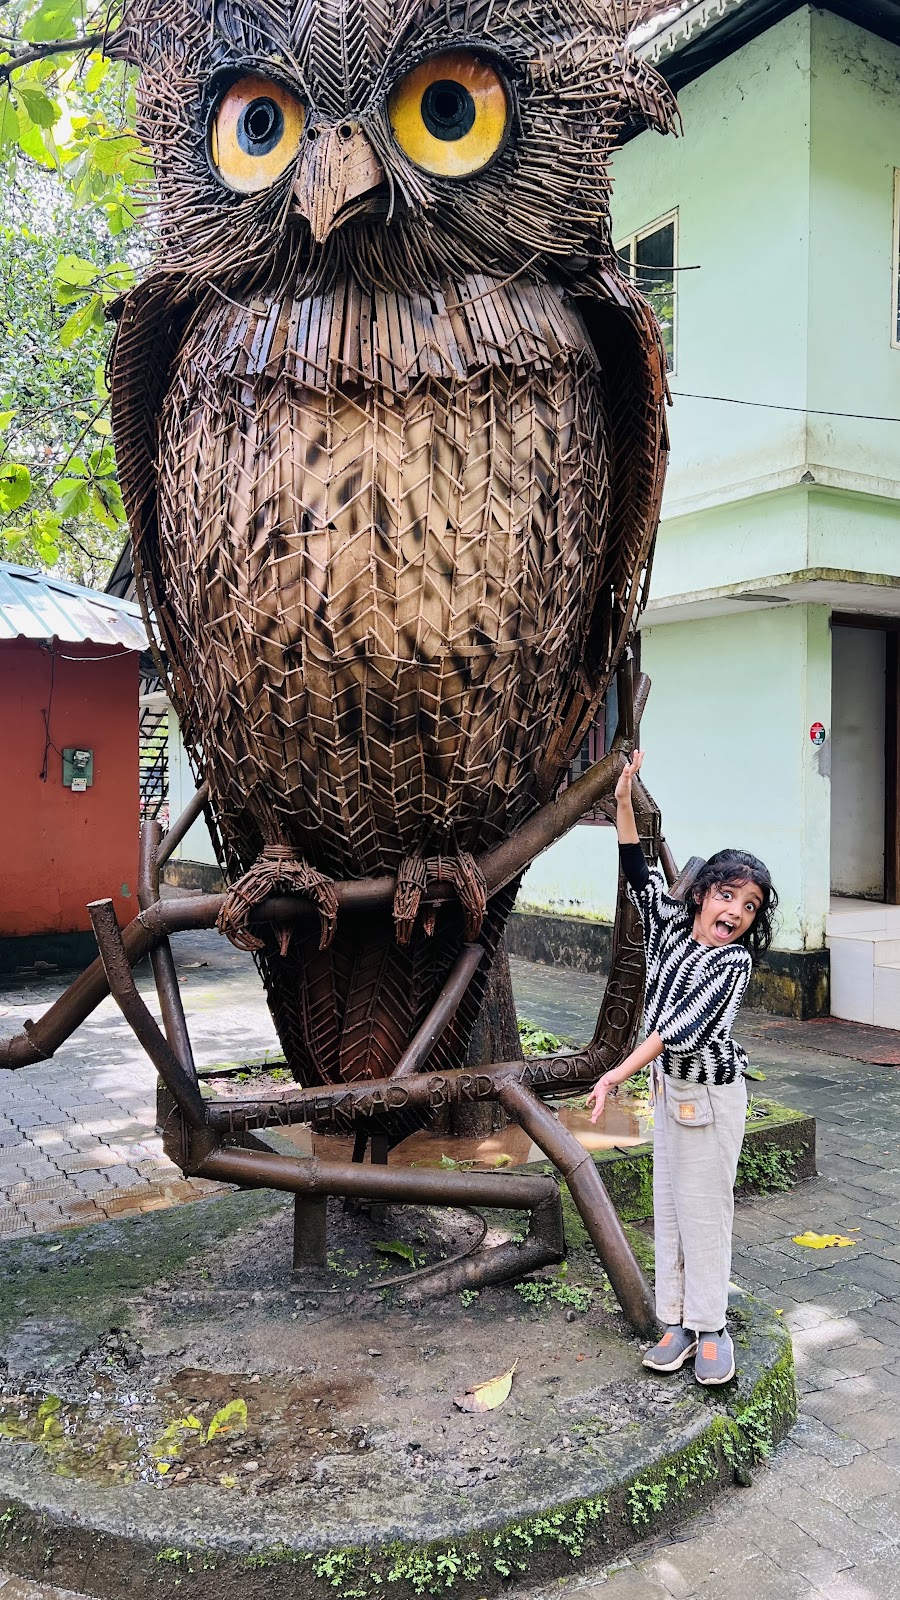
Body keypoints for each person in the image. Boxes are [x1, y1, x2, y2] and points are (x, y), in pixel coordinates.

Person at [586, 750, 777, 1386]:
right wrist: (621, 801)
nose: (736, 913)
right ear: (700, 895)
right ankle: (677, 1323)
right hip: (671, 1092)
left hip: (713, 1096)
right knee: (668, 1207)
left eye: (750, 907)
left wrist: (616, 1072)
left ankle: (712, 1325)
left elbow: (679, 1032)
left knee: (705, 1211)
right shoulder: (671, 928)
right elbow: (637, 872)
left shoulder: (734, 964)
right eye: (728, 896)